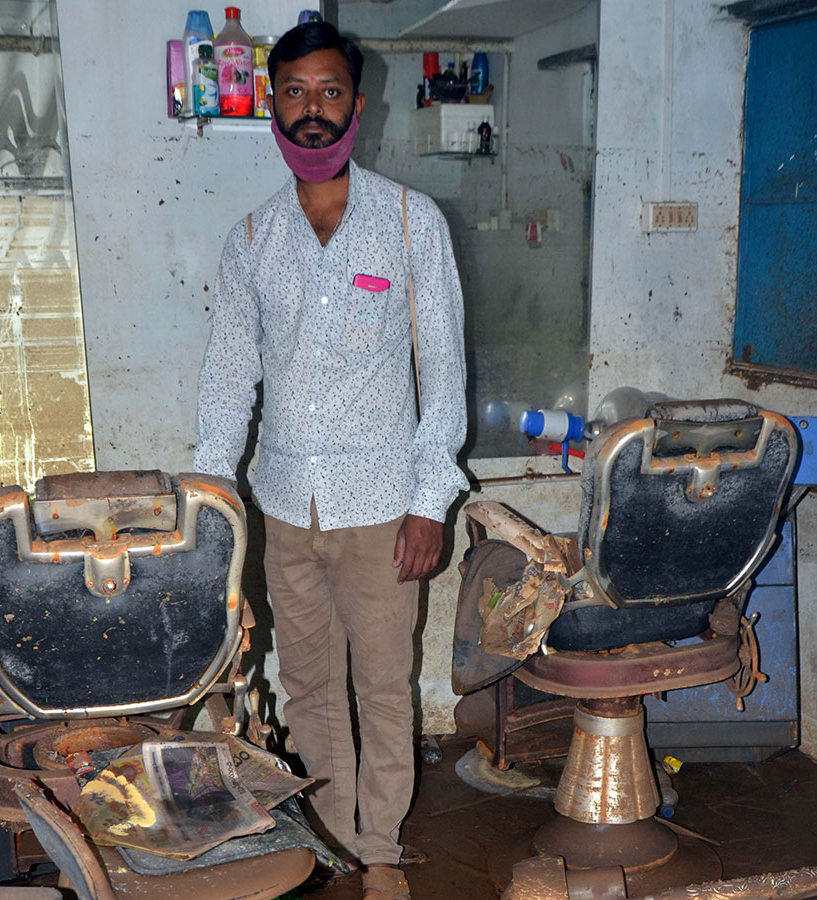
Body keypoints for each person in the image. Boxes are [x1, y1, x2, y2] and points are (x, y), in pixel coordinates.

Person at [193, 20, 468, 900]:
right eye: (296, 93)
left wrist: (432, 500)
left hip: (384, 503)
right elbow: (230, 379)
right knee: (306, 682)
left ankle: (380, 846)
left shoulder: (409, 221)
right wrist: (209, 499)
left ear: (358, 103)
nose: (313, 111)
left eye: (331, 92)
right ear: (273, 102)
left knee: (384, 686)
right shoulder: (250, 239)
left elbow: (446, 370)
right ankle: (338, 835)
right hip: (283, 504)